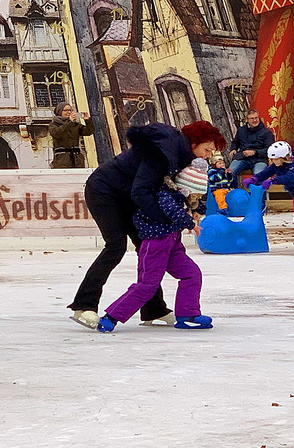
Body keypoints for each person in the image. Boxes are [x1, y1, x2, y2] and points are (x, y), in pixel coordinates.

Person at [68, 120, 225, 329]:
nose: (208, 155)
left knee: (148, 248)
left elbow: (177, 189)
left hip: (128, 195)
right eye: (207, 149)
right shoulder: (162, 152)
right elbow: (141, 191)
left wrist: (190, 209)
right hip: (105, 191)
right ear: (195, 142)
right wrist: (165, 220)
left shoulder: (181, 155)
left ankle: (154, 309)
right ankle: (84, 304)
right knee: (116, 246)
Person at [96, 160, 212, 332]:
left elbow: (189, 206)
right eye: (194, 195)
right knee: (147, 285)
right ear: (185, 188)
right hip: (155, 245)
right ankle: (112, 316)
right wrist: (190, 223)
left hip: (173, 244)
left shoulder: (181, 197)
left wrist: (196, 210)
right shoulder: (165, 195)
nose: (195, 199)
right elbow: (172, 210)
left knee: (191, 274)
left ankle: (187, 314)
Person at [252, 141, 294, 249]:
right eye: (272, 159)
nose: (274, 162)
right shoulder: (276, 165)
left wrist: (273, 181)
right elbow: (266, 172)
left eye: (277, 159)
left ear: (285, 157)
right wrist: (254, 179)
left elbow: (289, 178)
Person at [228, 109, 274, 183]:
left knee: (259, 176)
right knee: (229, 172)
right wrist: (233, 149)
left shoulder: (267, 132)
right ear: (247, 119)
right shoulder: (241, 130)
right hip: (242, 158)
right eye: (252, 118)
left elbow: (269, 150)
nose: (255, 120)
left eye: (256, 118)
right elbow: (235, 142)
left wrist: (254, 152)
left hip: (259, 159)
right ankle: (235, 193)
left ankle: (258, 194)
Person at [48, 103, 93, 168]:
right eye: (66, 110)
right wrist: (69, 122)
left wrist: (87, 120)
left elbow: (88, 131)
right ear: (59, 111)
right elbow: (57, 134)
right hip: (62, 160)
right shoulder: (54, 124)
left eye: (70, 110)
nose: (69, 112)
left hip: (77, 159)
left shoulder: (75, 125)